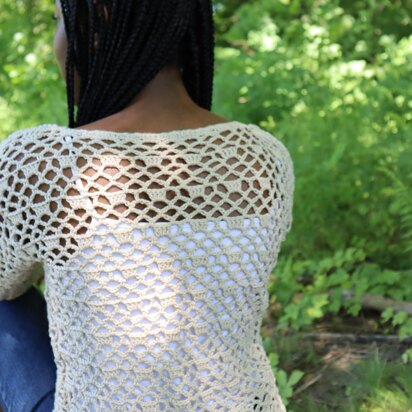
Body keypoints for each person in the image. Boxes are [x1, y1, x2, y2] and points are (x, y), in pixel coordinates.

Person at [0, 1, 294, 411]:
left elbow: (5, 285)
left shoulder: (44, 161)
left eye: (58, 20)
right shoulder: (264, 157)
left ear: (97, 17)